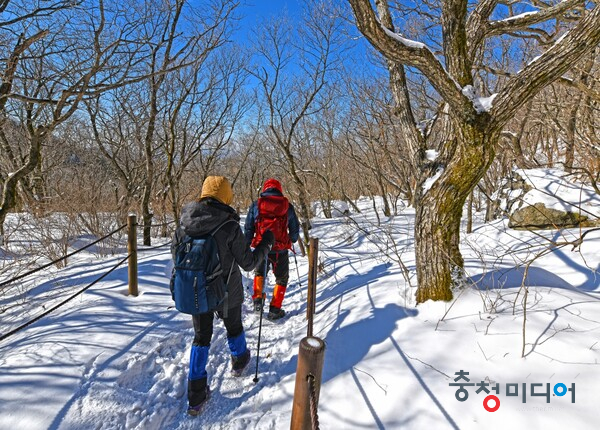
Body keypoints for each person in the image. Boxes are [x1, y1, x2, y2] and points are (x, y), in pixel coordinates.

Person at [171, 176, 274, 415]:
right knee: (233, 326)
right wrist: (266, 244)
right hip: (227, 290)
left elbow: (176, 258)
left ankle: (196, 394)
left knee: (201, 337)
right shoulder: (229, 226)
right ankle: (239, 361)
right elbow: (248, 264)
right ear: (226, 196)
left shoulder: (183, 225)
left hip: (197, 291)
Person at [244, 178, 300, 321]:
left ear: (265, 189)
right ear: (279, 189)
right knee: (281, 278)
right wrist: (292, 239)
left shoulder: (257, 205)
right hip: (280, 249)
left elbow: (249, 227)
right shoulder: (287, 206)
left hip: (262, 247)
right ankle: (275, 309)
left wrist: (248, 242)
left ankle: (258, 300)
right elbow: (294, 230)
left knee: (259, 273)